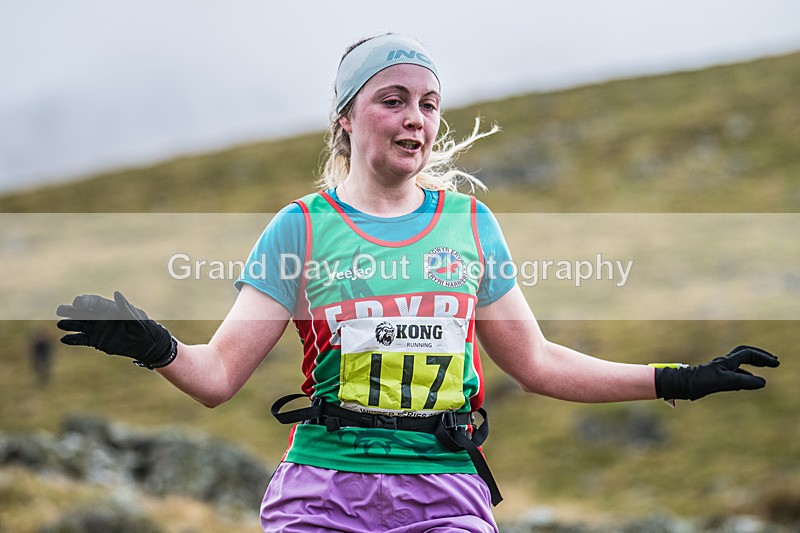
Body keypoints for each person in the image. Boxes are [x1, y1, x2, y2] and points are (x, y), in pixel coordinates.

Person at [56, 34, 780, 533]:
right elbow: (217, 376)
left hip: (446, 493)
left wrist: (678, 379)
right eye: (393, 99)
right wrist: (151, 343)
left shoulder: (470, 224)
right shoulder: (300, 229)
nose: (416, 118)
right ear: (346, 118)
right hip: (323, 493)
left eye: (429, 103)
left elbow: (539, 362)